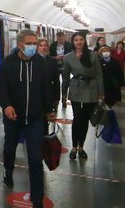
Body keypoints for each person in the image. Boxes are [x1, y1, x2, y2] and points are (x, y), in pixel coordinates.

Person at [0, 29, 58, 208]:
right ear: (20, 44)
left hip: (35, 118)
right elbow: (2, 87)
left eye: (35, 42)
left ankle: (37, 202)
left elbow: (45, 87)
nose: (33, 46)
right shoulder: (8, 63)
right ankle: (8, 171)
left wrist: (50, 109)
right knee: (10, 148)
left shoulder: (40, 63)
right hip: (13, 117)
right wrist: (6, 105)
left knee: (35, 158)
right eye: (30, 43)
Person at [62, 32, 103, 161]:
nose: (79, 42)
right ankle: (74, 147)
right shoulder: (68, 57)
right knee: (77, 117)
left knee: (84, 119)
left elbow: (98, 75)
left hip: (91, 89)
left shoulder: (93, 55)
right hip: (76, 87)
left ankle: (81, 147)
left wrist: (101, 93)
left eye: (81, 40)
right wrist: (63, 93)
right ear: (73, 42)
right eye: (76, 40)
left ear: (84, 41)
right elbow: (65, 76)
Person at [48, 31, 73, 106]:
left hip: (65, 66)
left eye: (62, 38)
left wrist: (65, 57)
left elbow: (72, 54)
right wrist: (55, 58)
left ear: (64, 37)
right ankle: (56, 98)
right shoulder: (53, 45)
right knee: (56, 82)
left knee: (65, 82)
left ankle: (64, 98)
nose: (60, 40)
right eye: (59, 38)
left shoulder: (69, 45)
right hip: (55, 65)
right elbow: (50, 56)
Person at [37, 38, 62, 111]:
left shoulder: (52, 61)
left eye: (45, 45)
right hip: (35, 94)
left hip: (48, 93)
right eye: (41, 45)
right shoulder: (32, 60)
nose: (43, 47)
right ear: (37, 47)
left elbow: (56, 81)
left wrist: (57, 97)